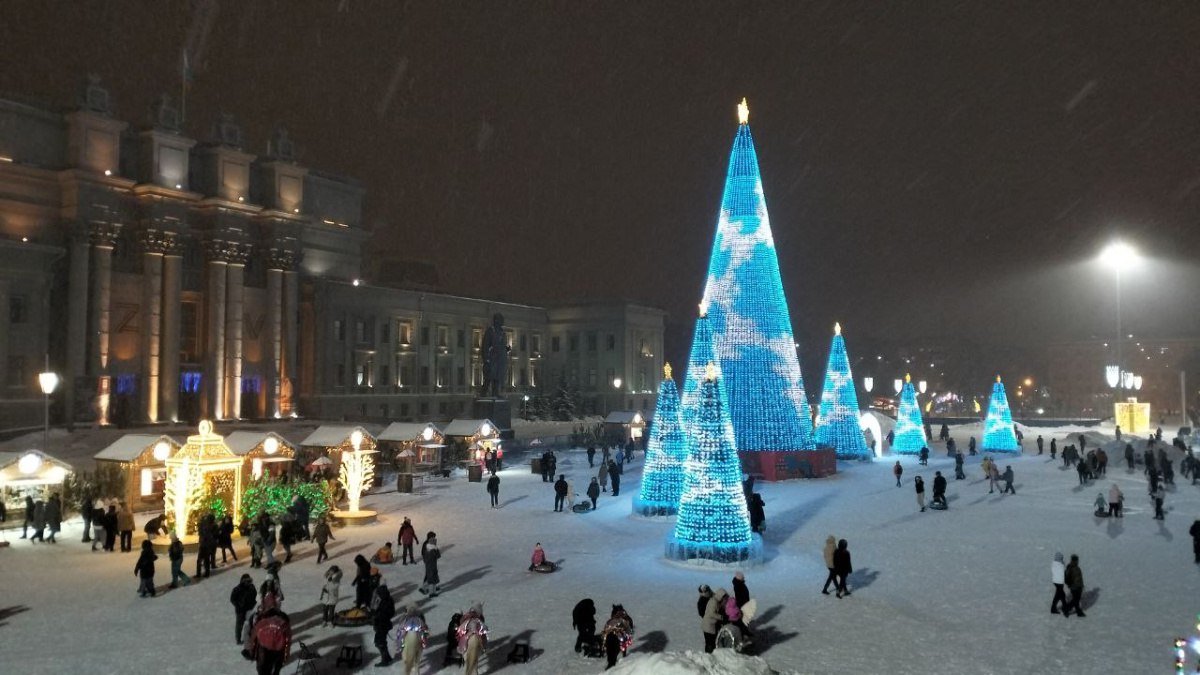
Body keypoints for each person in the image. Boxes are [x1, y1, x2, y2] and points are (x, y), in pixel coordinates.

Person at [249, 606, 292, 675]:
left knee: (263, 668)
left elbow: (253, 639)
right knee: (276, 669)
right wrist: (286, 655)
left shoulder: (262, 622)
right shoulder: (284, 622)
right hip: (279, 650)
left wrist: (252, 652)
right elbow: (287, 640)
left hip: (264, 648)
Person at [371, 574, 396, 667]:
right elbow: (392, 612)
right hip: (386, 623)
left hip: (380, 623)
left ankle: (385, 660)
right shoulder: (390, 598)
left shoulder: (378, 598)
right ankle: (387, 657)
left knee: (379, 642)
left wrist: (376, 616)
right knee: (382, 640)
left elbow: (373, 609)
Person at [231, 573, 258, 643]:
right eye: (247, 581)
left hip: (250, 609)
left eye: (249, 581)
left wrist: (254, 602)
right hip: (240, 610)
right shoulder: (237, 589)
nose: (248, 583)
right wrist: (239, 604)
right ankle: (238, 639)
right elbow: (232, 599)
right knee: (239, 625)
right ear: (243, 581)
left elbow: (255, 594)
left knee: (251, 623)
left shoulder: (252, 587)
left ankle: (251, 637)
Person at [701, 587, 728, 653]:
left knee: (710, 643)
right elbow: (712, 614)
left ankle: (709, 655)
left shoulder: (715, 601)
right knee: (710, 643)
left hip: (709, 626)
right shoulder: (713, 602)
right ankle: (709, 656)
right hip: (708, 626)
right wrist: (721, 617)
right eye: (723, 597)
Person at [730, 570, 752, 639]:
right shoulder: (738, 585)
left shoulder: (739, 584)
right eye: (743, 578)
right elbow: (740, 597)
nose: (744, 578)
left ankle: (745, 631)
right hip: (742, 605)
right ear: (740, 578)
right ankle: (744, 633)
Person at [420, 531, 441, 596]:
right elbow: (437, 555)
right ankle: (430, 591)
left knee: (431, 576)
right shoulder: (430, 546)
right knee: (430, 577)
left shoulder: (429, 545)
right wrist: (436, 549)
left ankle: (426, 588)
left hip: (430, 563)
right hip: (430, 564)